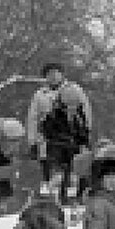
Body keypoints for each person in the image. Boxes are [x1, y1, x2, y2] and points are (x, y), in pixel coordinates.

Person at [25, 61, 93, 205]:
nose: (53, 76)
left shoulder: (74, 89)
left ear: (62, 74)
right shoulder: (40, 95)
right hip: (50, 139)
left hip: (73, 138)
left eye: (56, 73)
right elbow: (33, 118)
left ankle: (75, 196)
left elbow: (85, 113)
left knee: (75, 168)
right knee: (53, 168)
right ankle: (53, 198)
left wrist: (86, 135)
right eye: (50, 74)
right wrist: (32, 141)